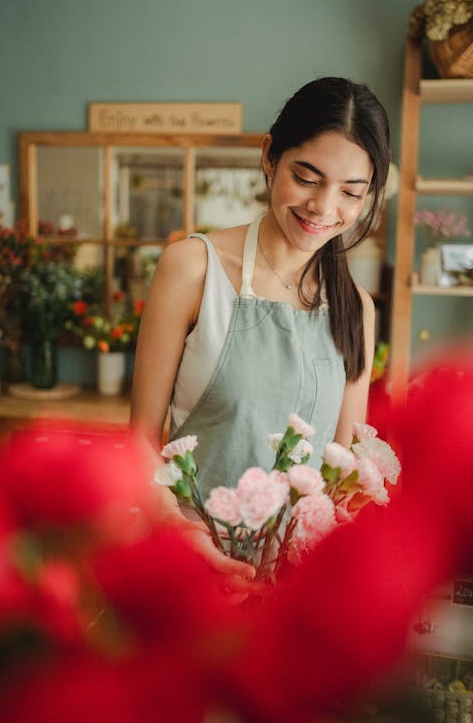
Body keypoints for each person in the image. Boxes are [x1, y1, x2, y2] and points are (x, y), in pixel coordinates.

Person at [130, 76, 391, 583]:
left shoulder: (355, 308)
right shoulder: (193, 269)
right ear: (269, 155)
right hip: (192, 570)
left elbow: (343, 469)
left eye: (351, 192)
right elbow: (140, 443)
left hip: (296, 586)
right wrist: (186, 540)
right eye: (308, 177)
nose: (323, 207)